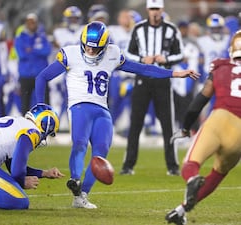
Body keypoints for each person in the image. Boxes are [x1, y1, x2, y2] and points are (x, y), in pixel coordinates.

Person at [35, 21, 199, 209]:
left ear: (105, 46)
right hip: (79, 106)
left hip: (102, 110)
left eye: (95, 48)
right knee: (79, 143)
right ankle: (75, 179)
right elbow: (42, 77)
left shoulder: (112, 54)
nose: (89, 51)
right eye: (87, 46)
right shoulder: (70, 54)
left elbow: (143, 69)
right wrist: (40, 105)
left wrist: (175, 73)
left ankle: (81, 196)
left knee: (101, 152)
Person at [165, 30, 241, 225]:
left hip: (220, 119)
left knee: (191, 164)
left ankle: (192, 180)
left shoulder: (221, 66)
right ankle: (181, 210)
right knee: (218, 173)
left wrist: (185, 127)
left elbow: (200, 100)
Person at [120, 0, 185, 176]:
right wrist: (142, 58)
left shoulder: (171, 29)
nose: (155, 12)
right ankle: (128, 165)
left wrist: (166, 59)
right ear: (148, 10)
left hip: (163, 79)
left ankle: (172, 166)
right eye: (152, 9)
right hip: (143, 78)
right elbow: (128, 53)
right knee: (136, 123)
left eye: (157, 9)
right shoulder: (139, 29)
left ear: (162, 9)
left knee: (167, 124)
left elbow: (180, 53)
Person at [14, 13, 52, 116]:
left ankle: (46, 123)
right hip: (25, 74)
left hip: (41, 75)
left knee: (44, 102)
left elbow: (47, 51)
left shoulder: (42, 36)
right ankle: (25, 125)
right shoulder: (20, 37)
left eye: (33, 22)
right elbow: (22, 54)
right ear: (26, 23)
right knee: (25, 103)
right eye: (29, 22)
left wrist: (32, 50)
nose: (32, 25)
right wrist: (37, 51)